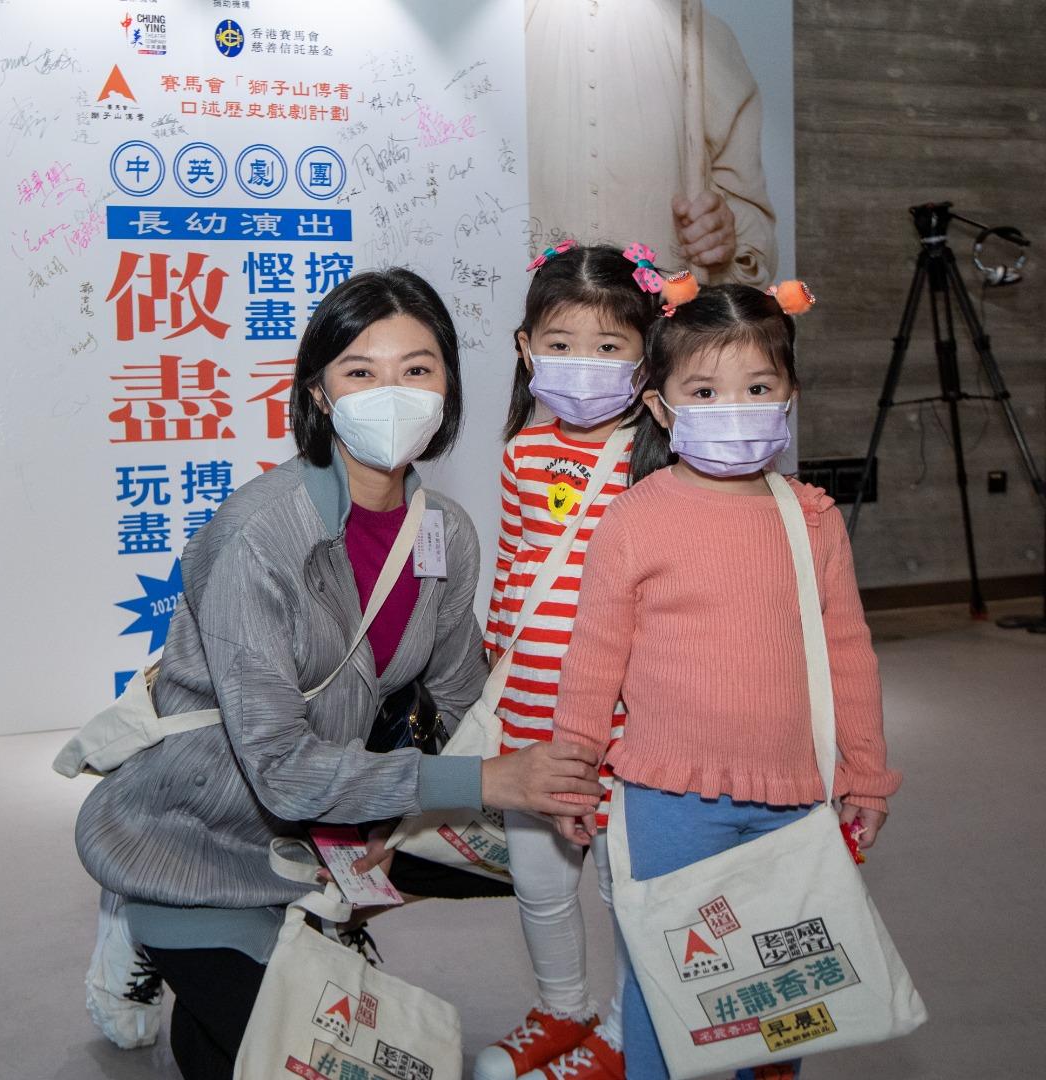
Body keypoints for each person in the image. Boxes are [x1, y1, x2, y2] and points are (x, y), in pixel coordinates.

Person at [74, 269, 607, 1079]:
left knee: (532, 834)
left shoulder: (444, 532)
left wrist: (513, 783)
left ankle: (315, 920)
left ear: (448, 387)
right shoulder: (259, 534)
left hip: (326, 819)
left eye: (417, 369)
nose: (393, 393)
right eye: (362, 371)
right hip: (200, 833)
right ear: (319, 394)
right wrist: (486, 778)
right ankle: (151, 920)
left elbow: (461, 699)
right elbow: (281, 771)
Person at [549, 282, 901, 1080]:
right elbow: (594, 656)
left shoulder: (813, 518)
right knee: (665, 977)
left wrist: (867, 775)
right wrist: (572, 773)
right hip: (667, 797)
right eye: (705, 392)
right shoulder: (635, 518)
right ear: (661, 406)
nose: (733, 408)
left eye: (758, 387)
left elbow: (849, 654)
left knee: (781, 989)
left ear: (790, 396)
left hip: (795, 795)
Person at [474, 243, 659, 1080]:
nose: (583, 363)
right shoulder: (520, 452)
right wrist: (495, 671)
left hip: (629, 719)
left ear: (646, 354)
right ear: (526, 349)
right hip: (531, 710)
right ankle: (562, 1008)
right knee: (541, 882)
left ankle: (622, 1032)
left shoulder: (659, 455)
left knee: (627, 889)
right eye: (561, 342)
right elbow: (514, 567)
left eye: (609, 345)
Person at [524, 0, 778, 287]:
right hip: (526, 308)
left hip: (663, 309)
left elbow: (755, 233)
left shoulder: (704, 39)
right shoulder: (502, 37)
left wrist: (721, 234)